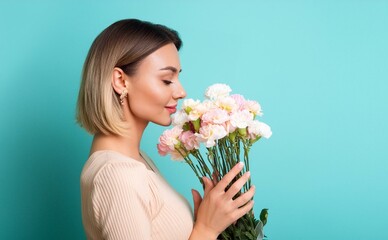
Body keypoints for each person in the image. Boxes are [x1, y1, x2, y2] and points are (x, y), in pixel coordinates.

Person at [76, 19, 255, 240]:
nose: (181, 92)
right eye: (166, 80)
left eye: (177, 77)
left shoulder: (136, 160)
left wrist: (207, 221)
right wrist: (206, 230)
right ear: (121, 81)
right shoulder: (118, 174)